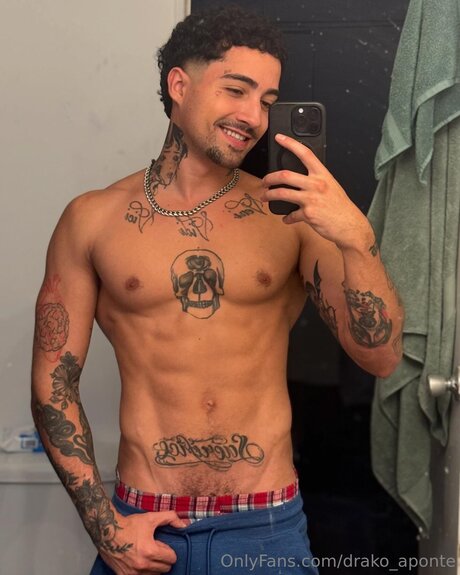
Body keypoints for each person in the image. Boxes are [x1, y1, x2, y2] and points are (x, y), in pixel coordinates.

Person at [31, 5, 404, 575]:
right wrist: (104, 526)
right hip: (143, 525)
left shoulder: (290, 217)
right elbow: (53, 384)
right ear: (179, 85)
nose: (254, 116)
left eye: (268, 101)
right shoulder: (93, 220)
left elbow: (381, 357)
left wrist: (358, 239)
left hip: (265, 530)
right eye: (236, 90)